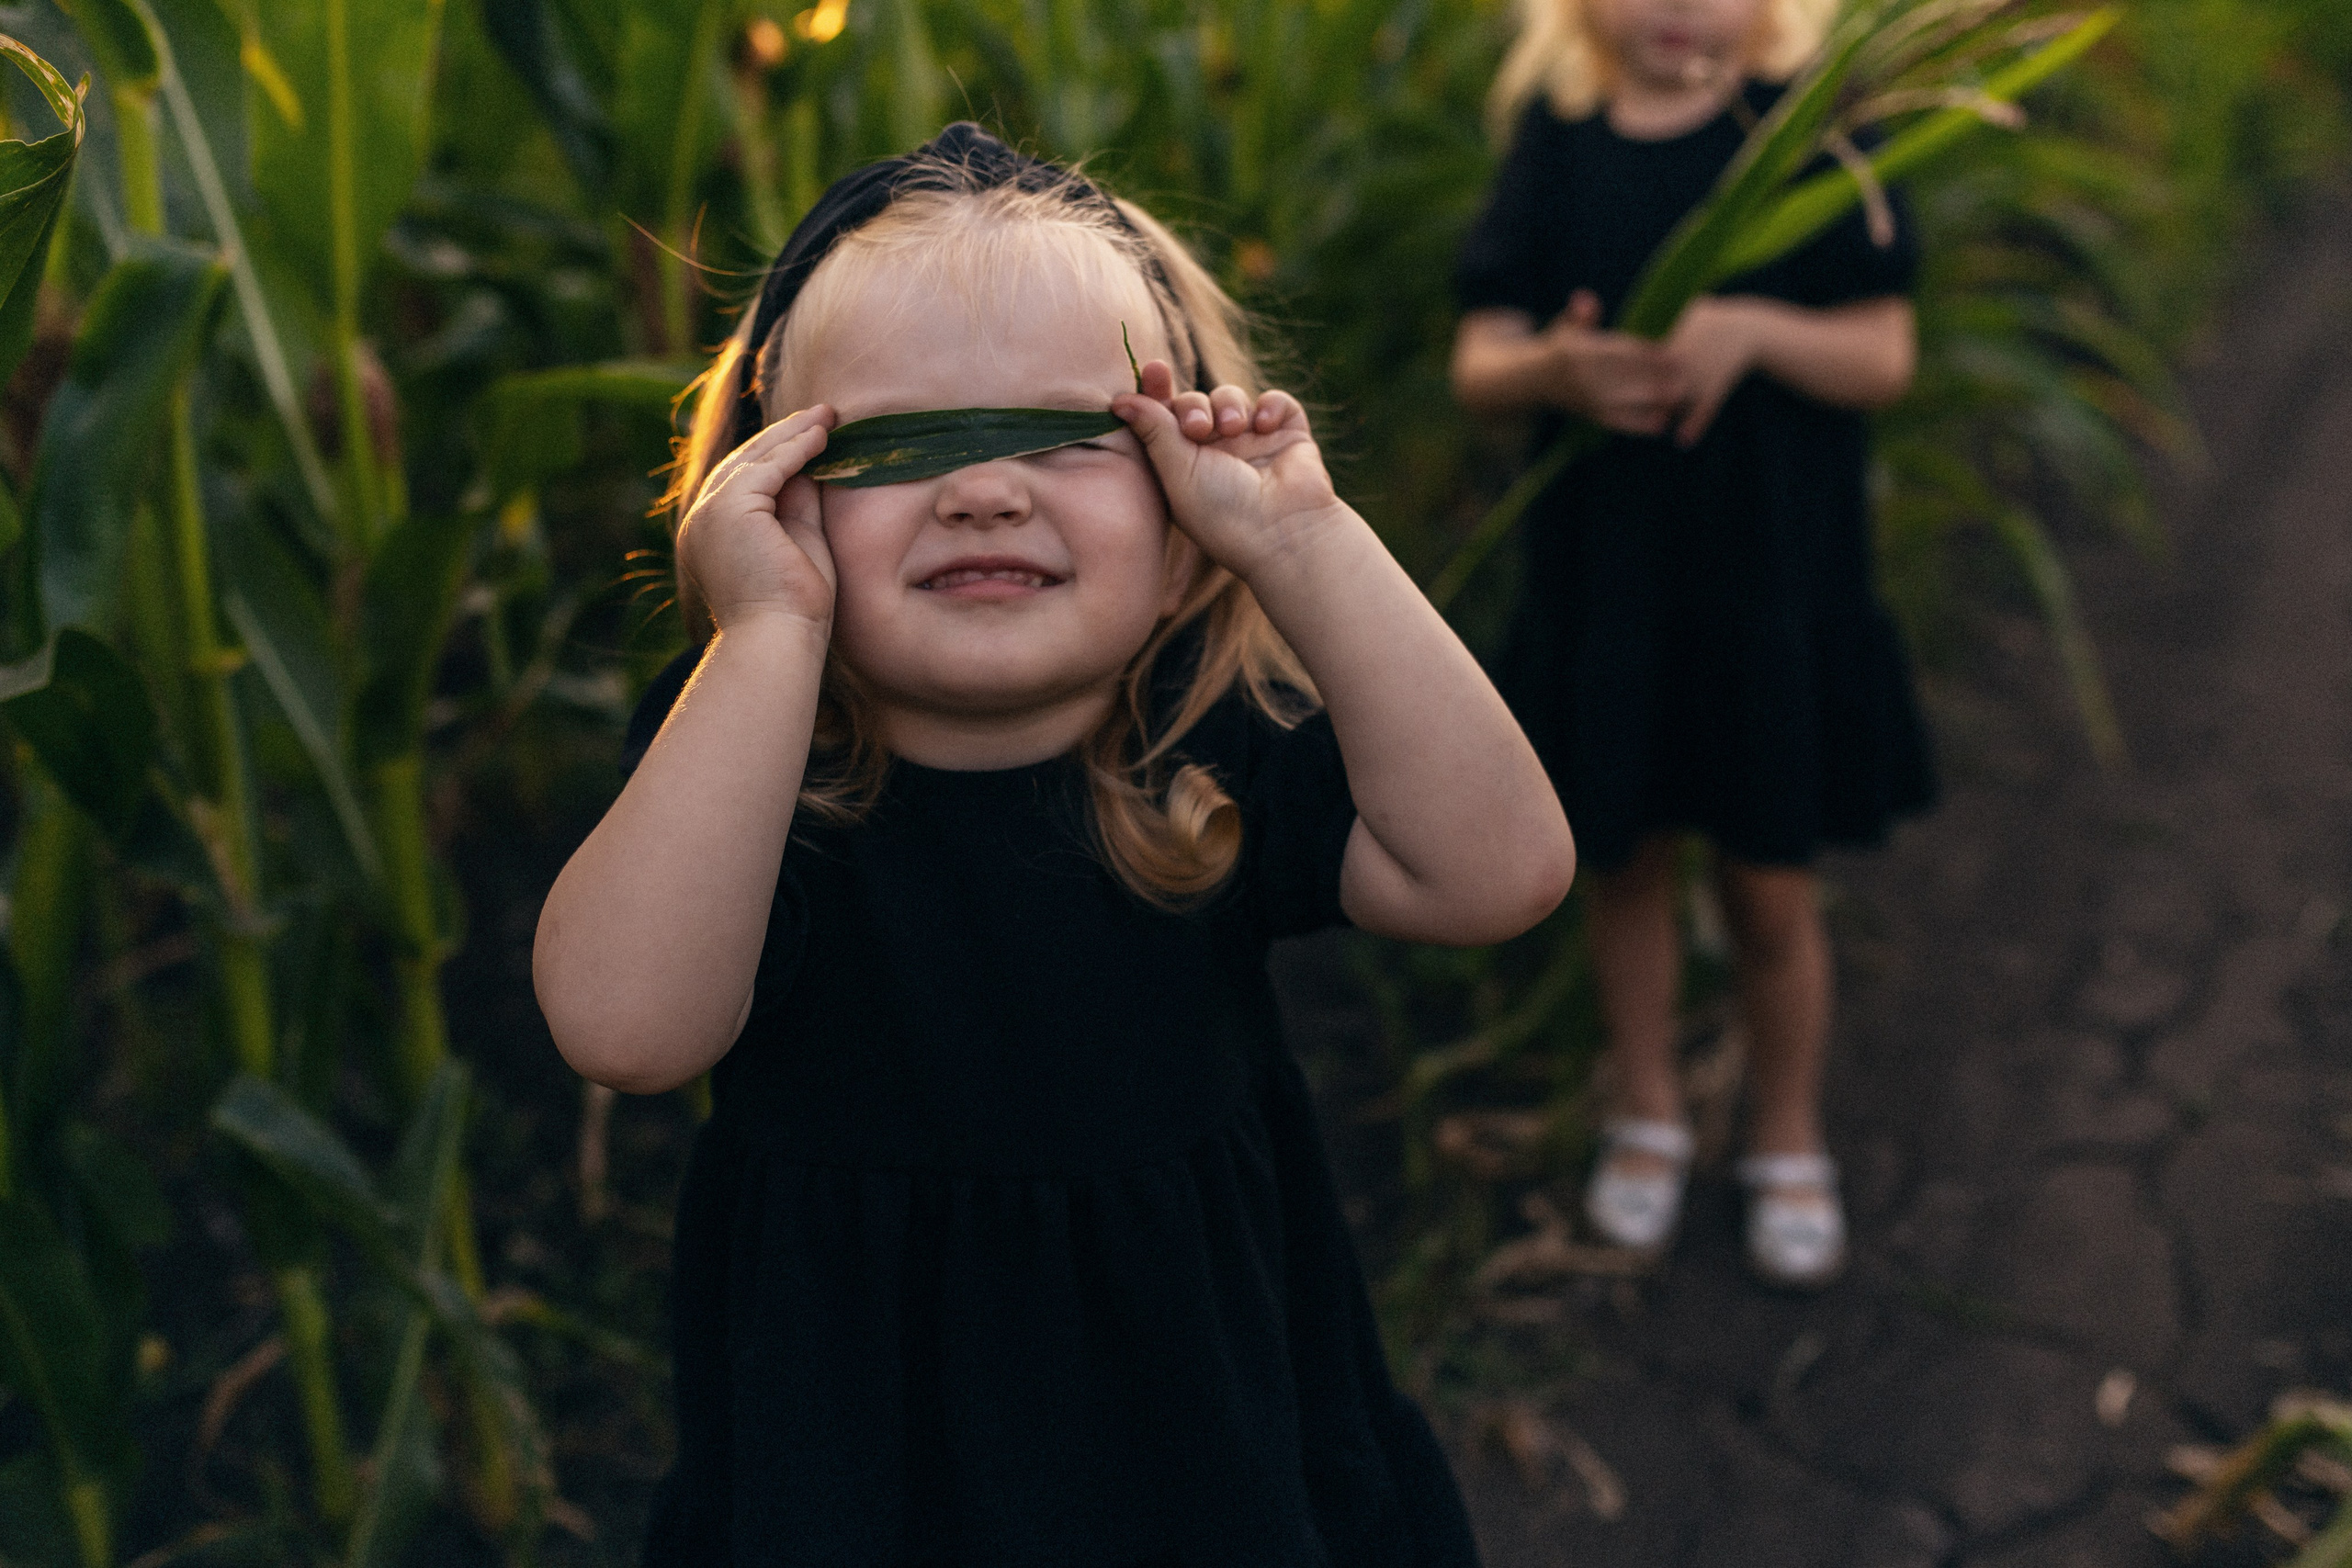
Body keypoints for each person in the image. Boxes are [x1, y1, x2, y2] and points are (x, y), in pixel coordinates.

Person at [534, 123, 1575, 1565]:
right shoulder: (755, 753)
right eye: (901, 447)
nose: (985, 489)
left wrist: (1301, 539)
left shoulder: (1208, 738)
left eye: (1070, 436)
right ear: (775, 498)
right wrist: (768, 635)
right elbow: (622, 1027)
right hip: (862, 1445)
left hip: (1200, 1423)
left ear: (1179, 515)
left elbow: (1500, 873)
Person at [1449, 0, 1935, 1288]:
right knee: (1626, 861)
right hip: (1613, 591)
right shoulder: (1558, 143)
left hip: (1769, 594)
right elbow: (1479, 357)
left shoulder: (1810, 139)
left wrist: (1757, 331)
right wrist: (1555, 368)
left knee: (1771, 887)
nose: (1679, 6)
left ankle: (1786, 1131)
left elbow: (1885, 354)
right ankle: (1649, 1111)